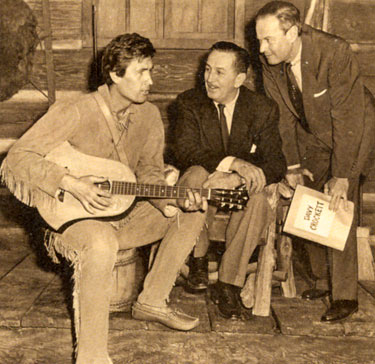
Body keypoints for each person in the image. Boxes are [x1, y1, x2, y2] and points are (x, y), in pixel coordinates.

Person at [1, 33, 208, 364]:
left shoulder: (149, 116)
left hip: (121, 214)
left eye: (151, 70)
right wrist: (70, 182)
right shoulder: (75, 110)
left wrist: (171, 201)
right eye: (142, 72)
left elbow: (149, 175)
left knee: (193, 213)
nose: (150, 81)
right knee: (100, 242)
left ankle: (152, 301)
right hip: (70, 220)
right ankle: (92, 356)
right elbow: (17, 158)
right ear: (115, 74)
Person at [255, 1, 375, 323]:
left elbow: (348, 117)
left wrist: (343, 176)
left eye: (268, 39)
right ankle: (323, 281)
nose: (261, 47)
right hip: (314, 131)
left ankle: (346, 296)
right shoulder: (272, 59)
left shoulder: (333, 51)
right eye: (259, 39)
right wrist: (292, 166)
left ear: (292, 32)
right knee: (305, 194)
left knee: (338, 203)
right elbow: (281, 117)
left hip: (355, 128)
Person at [173, 41, 286, 319]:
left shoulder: (262, 108)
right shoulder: (189, 102)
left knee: (259, 197)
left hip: (237, 191)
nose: (209, 79)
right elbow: (185, 150)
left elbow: (276, 162)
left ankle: (228, 283)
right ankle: (197, 258)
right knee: (196, 174)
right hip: (203, 183)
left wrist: (236, 177)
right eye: (207, 70)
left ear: (239, 79)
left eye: (219, 73)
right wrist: (233, 163)